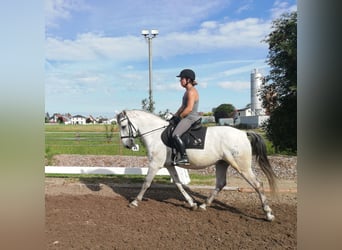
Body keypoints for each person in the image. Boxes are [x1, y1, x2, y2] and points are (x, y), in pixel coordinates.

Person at [171, 69, 200, 165]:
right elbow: (182, 107)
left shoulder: (191, 92)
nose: (180, 81)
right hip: (187, 117)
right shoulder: (187, 92)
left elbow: (189, 108)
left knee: (176, 135)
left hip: (190, 118)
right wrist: (175, 116)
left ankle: (184, 157)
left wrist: (180, 117)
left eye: (182, 79)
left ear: (188, 79)